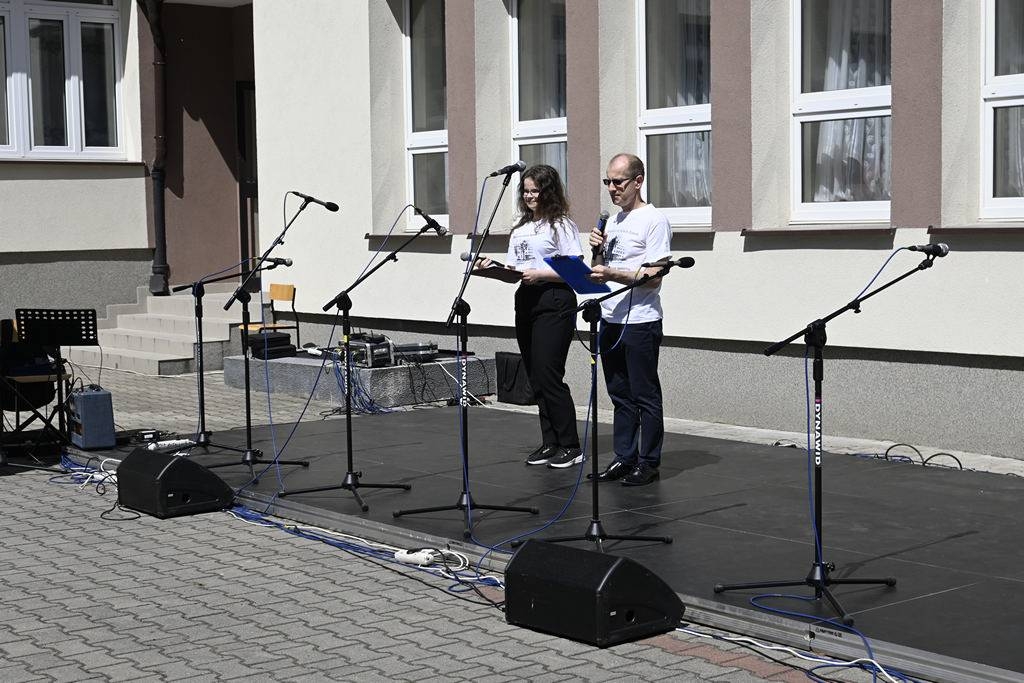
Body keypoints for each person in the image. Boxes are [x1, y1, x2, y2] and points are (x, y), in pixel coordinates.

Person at [476, 164, 583, 469]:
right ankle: (550, 442)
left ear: (548, 192)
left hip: (555, 300)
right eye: (525, 191)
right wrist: (493, 269)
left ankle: (571, 445)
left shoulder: (560, 225)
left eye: (536, 190)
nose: (530, 196)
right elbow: (516, 270)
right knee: (535, 375)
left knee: (549, 374)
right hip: (526, 300)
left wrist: (541, 274)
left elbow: (575, 269)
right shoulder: (521, 228)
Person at [587, 153, 672, 486]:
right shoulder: (613, 221)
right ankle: (624, 457)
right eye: (607, 181)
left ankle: (648, 462)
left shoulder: (654, 220)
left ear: (638, 181)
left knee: (644, 394)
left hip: (640, 321)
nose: (612, 188)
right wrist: (596, 251)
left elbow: (654, 277)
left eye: (618, 182)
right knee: (619, 394)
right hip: (610, 318)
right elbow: (599, 269)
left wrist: (613, 273)